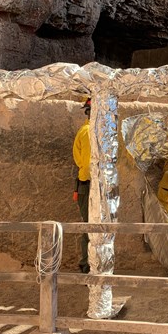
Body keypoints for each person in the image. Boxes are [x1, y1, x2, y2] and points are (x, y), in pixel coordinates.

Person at [72, 98, 91, 273]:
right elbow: (86, 165)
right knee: (89, 227)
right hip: (88, 185)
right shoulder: (88, 133)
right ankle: (87, 266)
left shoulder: (92, 131)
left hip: (88, 184)